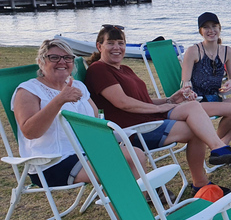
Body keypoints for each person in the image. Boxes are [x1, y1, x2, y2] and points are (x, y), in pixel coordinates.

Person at [85, 25, 231, 192]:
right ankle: (205, 174)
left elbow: (142, 100)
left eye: (120, 43)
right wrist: (161, 108)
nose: (117, 48)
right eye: (110, 43)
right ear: (100, 46)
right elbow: (124, 103)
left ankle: (215, 154)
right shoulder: (98, 70)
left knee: (193, 110)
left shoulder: (125, 69)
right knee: (196, 128)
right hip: (131, 130)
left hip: (148, 120)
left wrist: (170, 99)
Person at [12, 39, 146, 188]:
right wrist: (59, 100)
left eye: (67, 58)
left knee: (136, 154)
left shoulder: (77, 86)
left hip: (85, 152)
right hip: (51, 162)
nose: (62, 62)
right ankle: (134, 205)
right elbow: (30, 132)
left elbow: (95, 119)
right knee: (117, 165)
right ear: (41, 61)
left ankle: (144, 198)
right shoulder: (28, 90)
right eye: (54, 57)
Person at [180, 12, 231, 147]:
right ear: (200, 31)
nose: (211, 30)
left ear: (220, 28)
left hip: (215, 98)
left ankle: (222, 142)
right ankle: (217, 145)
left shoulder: (227, 51)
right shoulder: (193, 51)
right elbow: (185, 82)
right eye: (206, 27)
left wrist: (229, 84)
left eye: (214, 26)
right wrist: (188, 90)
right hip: (196, 103)